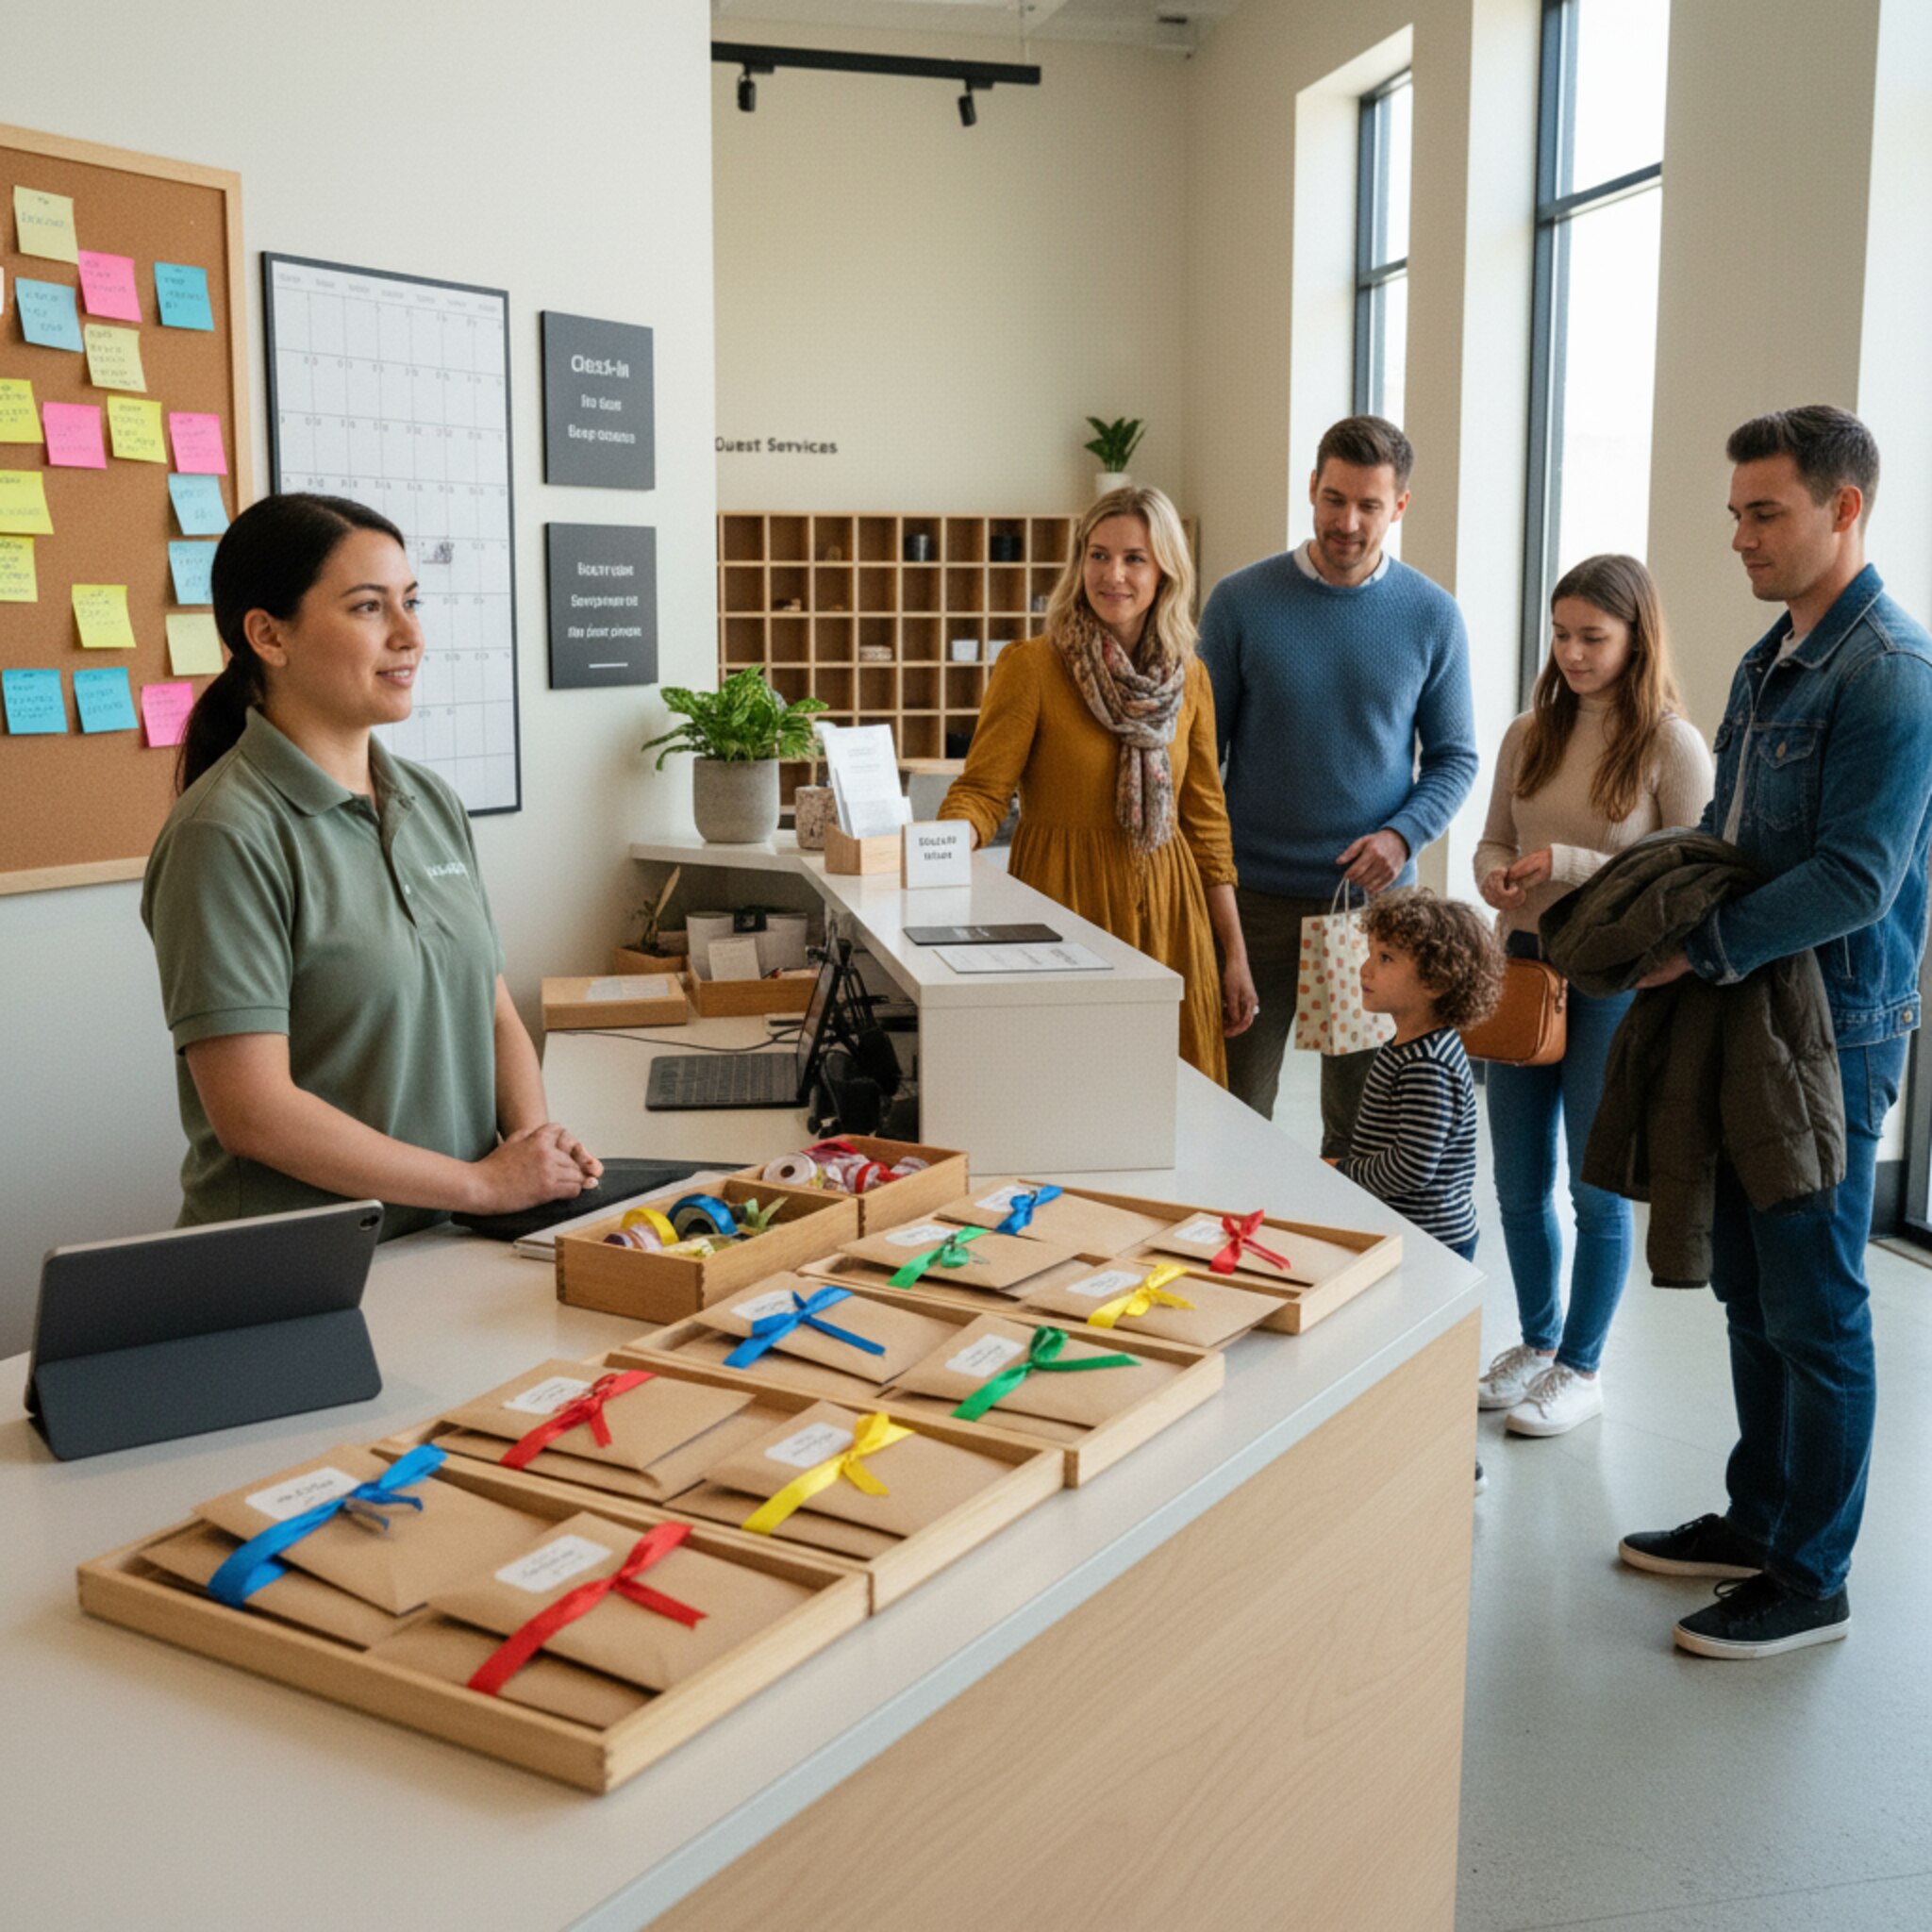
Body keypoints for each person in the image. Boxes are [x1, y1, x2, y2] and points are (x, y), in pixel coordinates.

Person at [1617, 406, 1932, 1660]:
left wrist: (1695, 946)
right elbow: (1732, 840)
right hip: (1751, 1019)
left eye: (1765, 513)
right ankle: (1756, 1520)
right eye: (1736, 512)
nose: (1739, 536)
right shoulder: (1771, 658)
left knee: (1815, 1305)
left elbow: (1856, 878)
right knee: (1749, 1288)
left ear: (1842, 509)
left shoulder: (1890, 673)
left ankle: (1811, 1576)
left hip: (1832, 1036)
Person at [142, 492, 602, 1237]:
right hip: (305, 1264)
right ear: (268, 635)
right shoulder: (223, 833)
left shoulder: (430, 801)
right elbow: (254, 1112)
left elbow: (491, 1012)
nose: (409, 635)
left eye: (411, 602)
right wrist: (482, 1186)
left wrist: (531, 1151)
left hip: (450, 1241)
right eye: (368, 607)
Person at [1473, 556, 1713, 1439]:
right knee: (1515, 1183)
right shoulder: (1528, 733)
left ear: (1637, 639)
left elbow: (1690, 878)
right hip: (1523, 971)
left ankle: (1581, 1367)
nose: (1572, 654)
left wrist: (1568, 864)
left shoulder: (1671, 746)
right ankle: (1537, 1341)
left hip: (1613, 985)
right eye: (1561, 635)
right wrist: (1496, 875)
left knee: (1595, 1188)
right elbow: (1494, 839)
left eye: (1593, 638)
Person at [1200, 414, 1478, 1156]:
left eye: (1368, 505)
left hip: (1368, 917)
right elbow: (1199, 762)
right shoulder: (1240, 602)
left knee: (1361, 1128)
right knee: (1230, 1108)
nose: (1347, 522)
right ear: (1311, 489)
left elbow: (1455, 758)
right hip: (1250, 905)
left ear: (1400, 506)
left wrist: (1402, 837)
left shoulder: (1432, 615)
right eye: (1333, 499)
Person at [938, 486, 1257, 1084]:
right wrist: (943, 845)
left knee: (1172, 1099)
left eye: (1135, 558)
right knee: (1066, 1088)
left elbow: (1207, 825)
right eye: (1099, 555)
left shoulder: (1190, 677)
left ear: (1165, 571)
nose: (1114, 575)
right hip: (1064, 905)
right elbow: (982, 791)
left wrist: (1233, 955)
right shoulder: (1032, 666)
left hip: (1170, 913)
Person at [1335, 888, 1501, 1265]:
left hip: (1429, 1239)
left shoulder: (1427, 1065)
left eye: (1386, 958)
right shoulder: (1411, 1046)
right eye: (1371, 953)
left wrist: (1343, 1171)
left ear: (1435, 981)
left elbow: (1411, 1166)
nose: (1365, 969)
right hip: (1407, 1229)